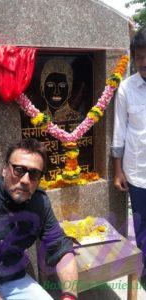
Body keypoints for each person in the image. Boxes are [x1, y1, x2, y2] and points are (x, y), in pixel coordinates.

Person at [0, 138, 78, 300]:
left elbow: (61, 248)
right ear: (4, 169)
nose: (25, 180)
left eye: (34, 174)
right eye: (18, 170)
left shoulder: (39, 203)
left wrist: (70, 295)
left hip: (14, 280)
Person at [111, 26, 146, 275]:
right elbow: (119, 130)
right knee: (142, 227)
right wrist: (117, 171)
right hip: (137, 174)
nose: (144, 62)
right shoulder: (126, 88)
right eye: (140, 56)